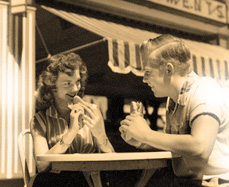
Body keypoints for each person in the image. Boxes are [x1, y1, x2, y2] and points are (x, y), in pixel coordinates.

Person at [119, 34, 229, 187]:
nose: (144, 79)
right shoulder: (174, 100)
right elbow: (177, 146)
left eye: (148, 72)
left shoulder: (204, 89)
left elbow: (200, 146)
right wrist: (142, 142)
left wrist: (146, 134)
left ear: (169, 69)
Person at [30, 52, 115, 187]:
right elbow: (42, 165)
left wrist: (101, 136)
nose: (75, 89)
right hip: (57, 182)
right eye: (67, 83)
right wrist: (71, 133)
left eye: (78, 82)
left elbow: (112, 160)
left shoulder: (92, 111)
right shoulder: (40, 120)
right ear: (52, 87)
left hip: (90, 181)